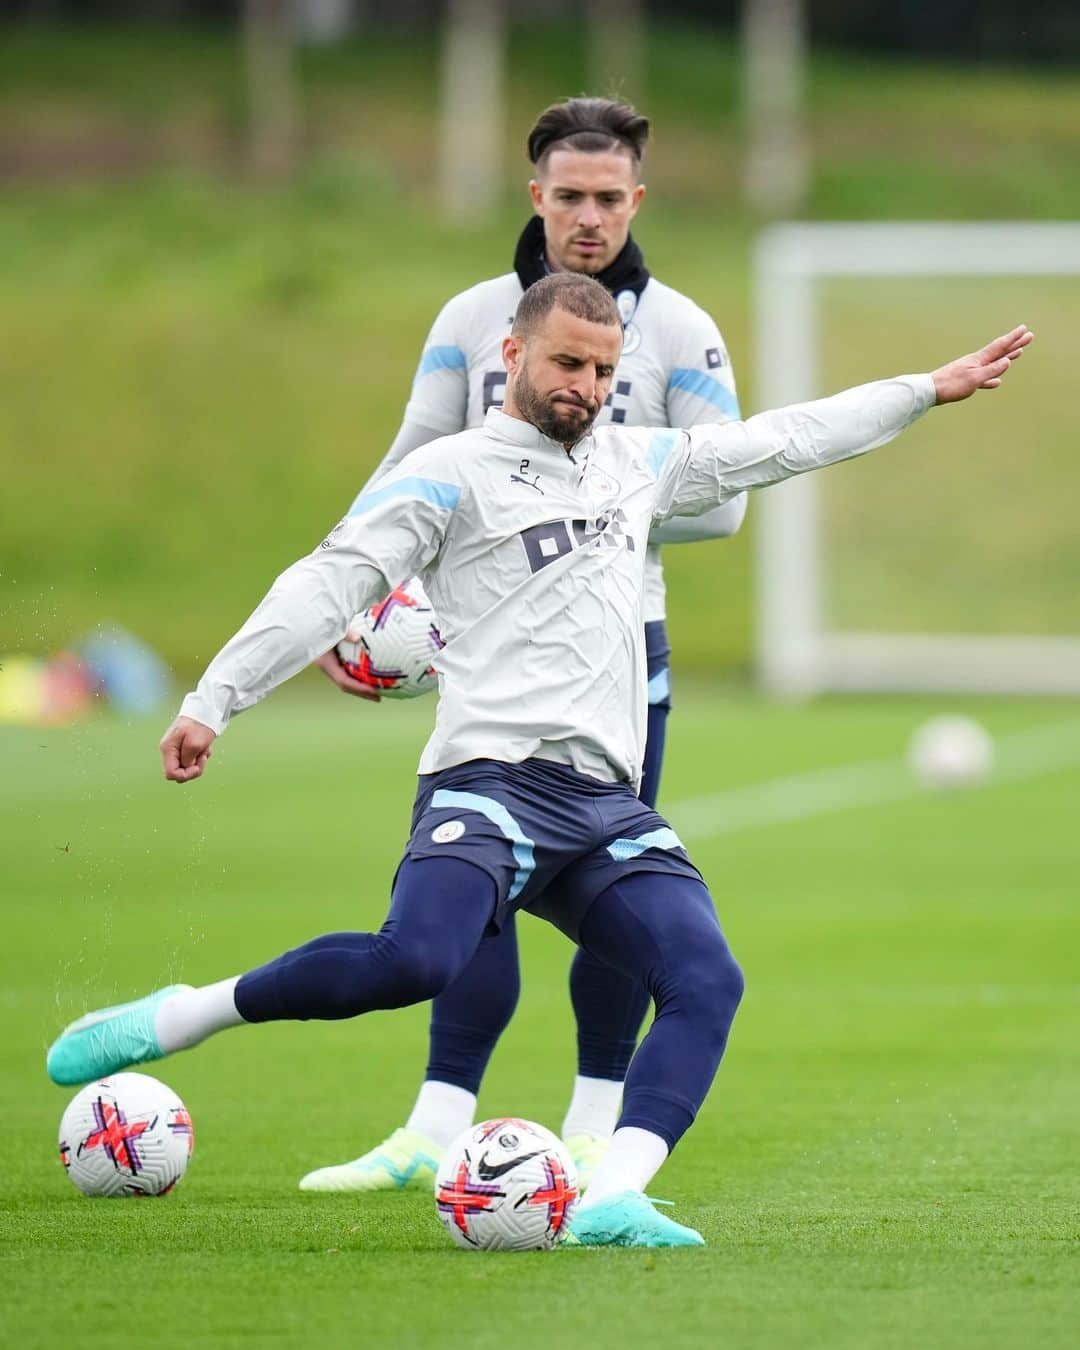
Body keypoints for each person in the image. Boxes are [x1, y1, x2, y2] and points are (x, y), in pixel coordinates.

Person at [46, 274, 1032, 1247]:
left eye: (603, 370)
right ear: (512, 355)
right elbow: (328, 584)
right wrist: (214, 700)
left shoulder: (637, 462)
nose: (586, 387)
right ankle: (187, 1014)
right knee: (415, 961)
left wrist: (920, 391)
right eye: (567, 362)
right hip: (490, 785)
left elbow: (775, 443)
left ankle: (613, 1194)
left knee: (705, 976)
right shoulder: (449, 474)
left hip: (605, 807)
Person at [306, 96, 749, 1195]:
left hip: (613, 650)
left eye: (609, 198)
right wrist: (340, 591)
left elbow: (728, 499)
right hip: (479, 639)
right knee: (467, 885)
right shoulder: (468, 319)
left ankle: (595, 1122)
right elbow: (411, 455)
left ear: (636, 198)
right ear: (535, 194)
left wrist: (600, 506)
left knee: (618, 882)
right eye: (569, 196)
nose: (588, 217)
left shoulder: (683, 331)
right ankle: (432, 1124)